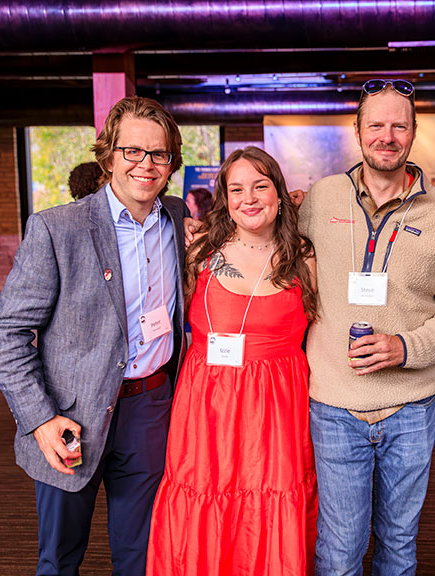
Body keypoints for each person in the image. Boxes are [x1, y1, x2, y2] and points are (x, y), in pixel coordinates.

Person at [0, 96, 188, 576]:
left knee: (141, 557)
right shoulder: (58, 229)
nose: (146, 164)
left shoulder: (177, 220)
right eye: (132, 151)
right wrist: (39, 419)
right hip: (69, 416)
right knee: (60, 558)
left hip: (150, 407)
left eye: (158, 154)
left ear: (171, 162)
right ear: (109, 156)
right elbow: (7, 333)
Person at [298, 79, 435, 575]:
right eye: (375, 124)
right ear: (357, 132)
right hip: (333, 403)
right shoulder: (321, 197)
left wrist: (405, 346)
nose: (387, 135)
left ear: (414, 133)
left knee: (399, 546)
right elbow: (273, 248)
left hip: (412, 407)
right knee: (339, 549)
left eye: (399, 125)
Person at [147, 146, 318, 575]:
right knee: (205, 497)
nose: (250, 197)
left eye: (261, 185)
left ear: (280, 193)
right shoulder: (198, 249)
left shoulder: (304, 255)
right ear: (224, 197)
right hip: (208, 408)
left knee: (272, 501)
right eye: (237, 188)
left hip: (279, 409)